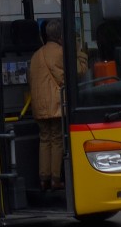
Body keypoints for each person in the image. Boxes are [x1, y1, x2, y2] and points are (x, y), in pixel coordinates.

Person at [28, 19, 87, 193]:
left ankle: (44, 179)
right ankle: (55, 179)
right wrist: (80, 52)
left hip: (39, 105)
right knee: (57, 139)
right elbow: (79, 71)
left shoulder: (36, 55)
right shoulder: (62, 53)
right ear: (61, 36)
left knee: (44, 139)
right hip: (56, 105)